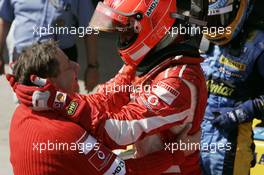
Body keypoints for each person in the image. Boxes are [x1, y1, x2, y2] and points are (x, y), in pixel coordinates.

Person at [11, 0, 209, 174]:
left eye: (125, 30)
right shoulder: (144, 61)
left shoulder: (179, 80)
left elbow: (116, 131)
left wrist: (57, 100)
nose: (121, 38)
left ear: (152, 23)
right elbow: (103, 101)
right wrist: (41, 96)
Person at [200, 0, 264, 174]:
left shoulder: (258, 44)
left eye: (220, 19)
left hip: (232, 142)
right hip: (194, 137)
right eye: (209, 19)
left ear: (240, 8)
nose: (214, 27)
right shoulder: (198, 35)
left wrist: (241, 113)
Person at [0, 0, 99, 91]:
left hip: (61, 62)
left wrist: (92, 67)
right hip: (23, 58)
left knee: (66, 103)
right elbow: (4, 20)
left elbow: (89, 28)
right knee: (25, 100)